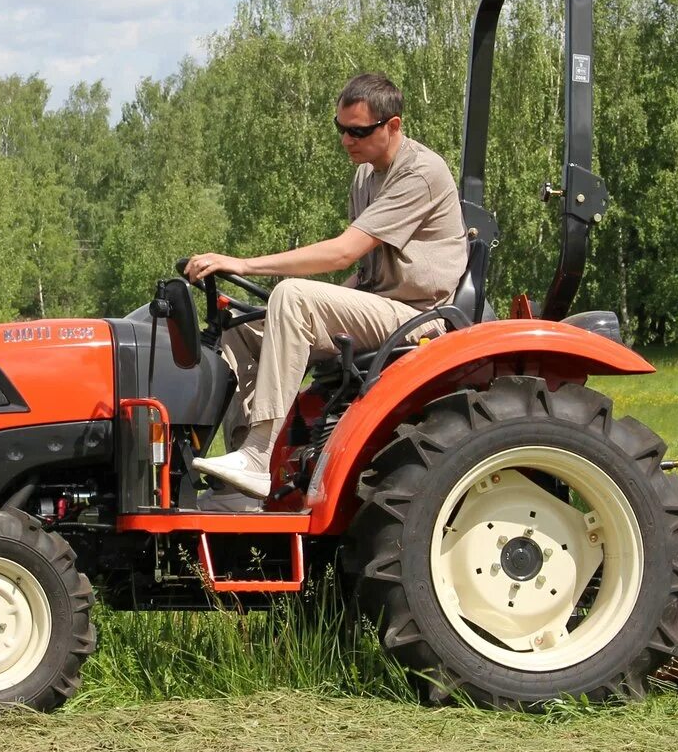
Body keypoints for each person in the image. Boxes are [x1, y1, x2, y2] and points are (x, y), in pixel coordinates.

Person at [184, 71, 467, 498]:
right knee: (240, 323)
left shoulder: (421, 172)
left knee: (293, 295)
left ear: (392, 126)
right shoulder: (365, 175)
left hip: (418, 317)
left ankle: (262, 456)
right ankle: (240, 465)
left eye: (357, 131)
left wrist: (241, 262)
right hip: (379, 306)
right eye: (341, 129)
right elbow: (367, 270)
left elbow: (343, 253)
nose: (346, 140)